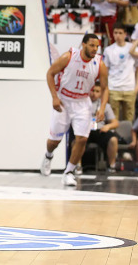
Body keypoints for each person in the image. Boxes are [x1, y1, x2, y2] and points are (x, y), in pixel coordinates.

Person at [41, 34, 109, 186]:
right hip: (64, 99)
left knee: (82, 138)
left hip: (82, 102)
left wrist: (102, 107)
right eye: (92, 45)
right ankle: (48, 156)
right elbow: (50, 73)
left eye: (97, 46)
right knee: (54, 141)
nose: (95, 49)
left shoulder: (100, 64)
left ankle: (69, 172)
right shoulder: (69, 57)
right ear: (83, 45)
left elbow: (105, 88)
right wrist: (54, 97)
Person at [88, 83, 120, 173]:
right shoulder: (82, 103)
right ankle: (77, 166)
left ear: (101, 93)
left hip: (100, 130)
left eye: (97, 91)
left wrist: (108, 126)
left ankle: (112, 166)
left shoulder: (105, 105)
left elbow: (115, 123)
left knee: (113, 139)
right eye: (92, 91)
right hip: (85, 130)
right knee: (77, 138)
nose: (94, 93)